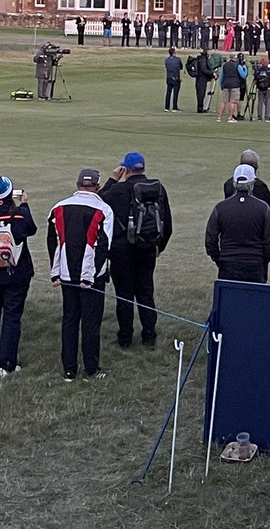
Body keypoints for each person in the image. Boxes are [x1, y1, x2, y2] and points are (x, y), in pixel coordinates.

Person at [47, 168, 114, 381]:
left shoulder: (58, 207)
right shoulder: (104, 209)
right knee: (91, 322)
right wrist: (91, 276)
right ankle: (91, 369)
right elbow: (103, 246)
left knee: (70, 320)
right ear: (98, 186)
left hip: (66, 274)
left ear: (78, 185)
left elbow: (52, 243)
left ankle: (69, 369)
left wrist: (55, 272)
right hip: (92, 277)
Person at [100, 152, 172, 349]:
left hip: (122, 250)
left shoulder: (118, 190)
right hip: (148, 248)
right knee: (146, 293)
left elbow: (98, 201)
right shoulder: (158, 188)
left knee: (124, 296)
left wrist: (112, 179)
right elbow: (167, 222)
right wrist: (159, 246)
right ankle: (149, 336)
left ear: (126, 169)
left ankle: (125, 338)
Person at [205, 164, 270, 282]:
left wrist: (219, 259)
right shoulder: (263, 208)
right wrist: (261, 260)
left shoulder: (221, 208)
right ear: (252, 183)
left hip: (228, 264)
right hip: (255, 264)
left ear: (234, 183)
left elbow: (210, 239)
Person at [0, 176, 37, 375]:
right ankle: (6, 364)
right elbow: (30, 229)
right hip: (16, 274)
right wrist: (24, 205)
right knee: (12, 318)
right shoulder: (19, 216)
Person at [217, 53, 247, 123]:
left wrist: (222, 85)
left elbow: (222, 76)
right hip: (235, 84)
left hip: (226, 84)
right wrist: (245, 69)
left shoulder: (224, 65)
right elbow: (243, 75)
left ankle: (219, 117)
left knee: (224, 101)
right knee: (232, 102)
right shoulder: (238, 65)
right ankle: (230, 117)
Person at [253, 56, 270, 121]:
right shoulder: (269, 69)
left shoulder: (258, 69)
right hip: (268, 87)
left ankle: (259, 116)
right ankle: (267, 116)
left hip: (260, 87)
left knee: (260, 102)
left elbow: (255, 76)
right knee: (268, 102)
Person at [192, 47, 214, 112]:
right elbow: (204, 70)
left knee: (201, 93)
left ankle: (200, 107)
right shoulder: (203, 59)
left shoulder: (203, 58)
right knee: (201, 93)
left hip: (201, 79)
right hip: (201, 79)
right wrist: (212, 73)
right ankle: (200, 108)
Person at [164, 46, 183, 112]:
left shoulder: (167, 60)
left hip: (169, 77)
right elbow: (180, 67)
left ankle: (166, 107)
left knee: (168, 93)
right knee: (175, 93)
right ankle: (174, 107)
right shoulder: (178, 59)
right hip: (175, 77)